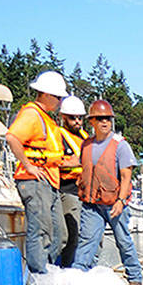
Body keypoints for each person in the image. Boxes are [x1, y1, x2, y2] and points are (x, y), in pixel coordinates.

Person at [70, 99, 142, 285]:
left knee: (123, 241)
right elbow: (79, 164)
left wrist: (121, 201)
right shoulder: (86, 144)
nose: (105, 122)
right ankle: (78, 279)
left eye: (108, 119)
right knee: (87, 241)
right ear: (91, 121)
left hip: (114, 203)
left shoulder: (120, 145)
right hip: (92, 204)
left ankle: (135, 278)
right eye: (100, 119)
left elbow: (126, 176)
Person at [5, 70, 67, 275]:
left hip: (50, 180)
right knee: (40, 231)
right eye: (58, 97)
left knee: (58, 233)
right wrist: (29, 165)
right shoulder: (32, 115)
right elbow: (12, 137)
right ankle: (39, 277)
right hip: (35, 180)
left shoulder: (46, 119)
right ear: (46, 95)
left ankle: (47, 270)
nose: (60, 102)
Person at [54, 96, 88, 267]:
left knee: (86, 234)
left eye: (80, 118)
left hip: (84, 191)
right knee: (70, 235)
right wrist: (70, 163)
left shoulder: (84, 136)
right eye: (73, 118)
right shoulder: (58, 136)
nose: (77, 122)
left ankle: (81, 267)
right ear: (63, 117)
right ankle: (64, 267)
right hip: (67, 189)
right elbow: (53, 160)